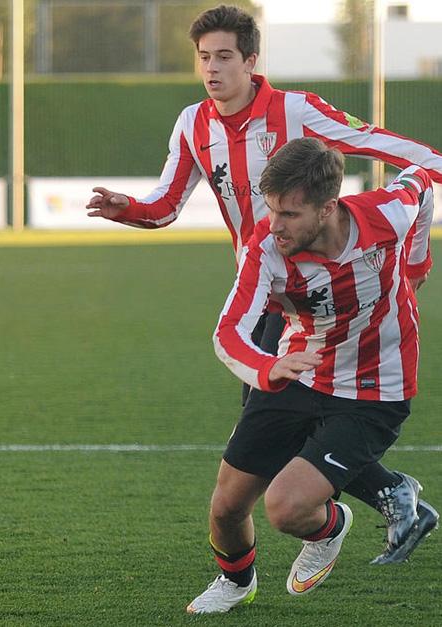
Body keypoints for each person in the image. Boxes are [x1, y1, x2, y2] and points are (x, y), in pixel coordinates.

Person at [86, 3, 439, 566]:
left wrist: (419, 248)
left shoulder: (296, 112)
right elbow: (166, 206)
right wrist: (126, 207)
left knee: (284, 423)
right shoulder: (192, 124)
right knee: (277, 425)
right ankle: (375, 500)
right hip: (262, 291)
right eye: (204, 58)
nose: (212, 69)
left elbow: (390, 149)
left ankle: (352, 512)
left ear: (251, 60)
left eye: (225, 56)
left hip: (319, 297)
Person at [186, 137, 433, 612]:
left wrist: (416, 262)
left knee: (287, 508)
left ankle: (327, 529)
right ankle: (236, 583)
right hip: (296, 370)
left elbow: (421, 184)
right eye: (272, 210)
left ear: (328, 209)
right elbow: (228, 331)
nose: (274, 225)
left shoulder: (387, 213)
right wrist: (268, 367)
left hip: (374, 386)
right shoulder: (266, 249)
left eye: (289, 215)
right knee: (227, 508)